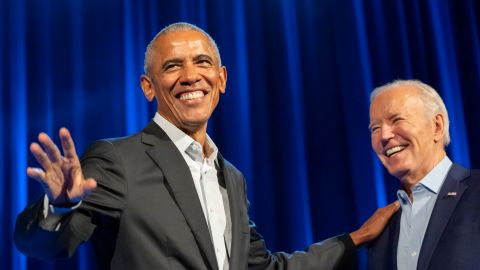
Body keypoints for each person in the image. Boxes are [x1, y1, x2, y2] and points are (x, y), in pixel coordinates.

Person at [14, 22, 399, 270]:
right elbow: (45, 246)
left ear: (221, 79)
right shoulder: (119, 160)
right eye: (171, 67)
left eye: (201, 62)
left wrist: (355, 239)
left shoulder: (230, 177)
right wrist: (60, 207)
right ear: (148, 87)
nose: (189, 76)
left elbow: (264, 268)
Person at [367, 79, 480, 270]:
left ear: (436, 126)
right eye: (375, 128)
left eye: (397, 119)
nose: (384, 136)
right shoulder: (381, 230)